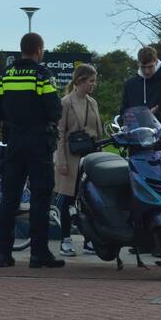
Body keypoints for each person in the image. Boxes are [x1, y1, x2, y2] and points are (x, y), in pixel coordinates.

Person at [0, 32, 63, 268]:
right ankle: (38, 254)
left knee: (9, 198)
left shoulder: (5, 75)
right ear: (39, 50)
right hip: (39, 143)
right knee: (41, 197)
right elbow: (54, 110)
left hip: (13, 141)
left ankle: (3, 254)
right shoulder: (42, 75)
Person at [53, 64, 103, 257]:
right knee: (68, 199)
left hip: (89, 156)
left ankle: (89, 240)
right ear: (80, 80)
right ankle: (65, 240)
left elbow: (97, 132)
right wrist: (61, 160)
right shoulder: (66, 102)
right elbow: (60, 132)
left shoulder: (93, 102)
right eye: (91, 81)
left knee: (89, 199)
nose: (94, 84)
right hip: (71, 156)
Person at [120, 46, 161, 131]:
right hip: (133, 140)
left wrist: (156, 114)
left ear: (156, 62)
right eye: (143, 67)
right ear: (138, 64)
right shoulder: (129, 84)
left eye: (150, 67)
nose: (146, 71)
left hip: (159, 140)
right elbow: (123, 114)